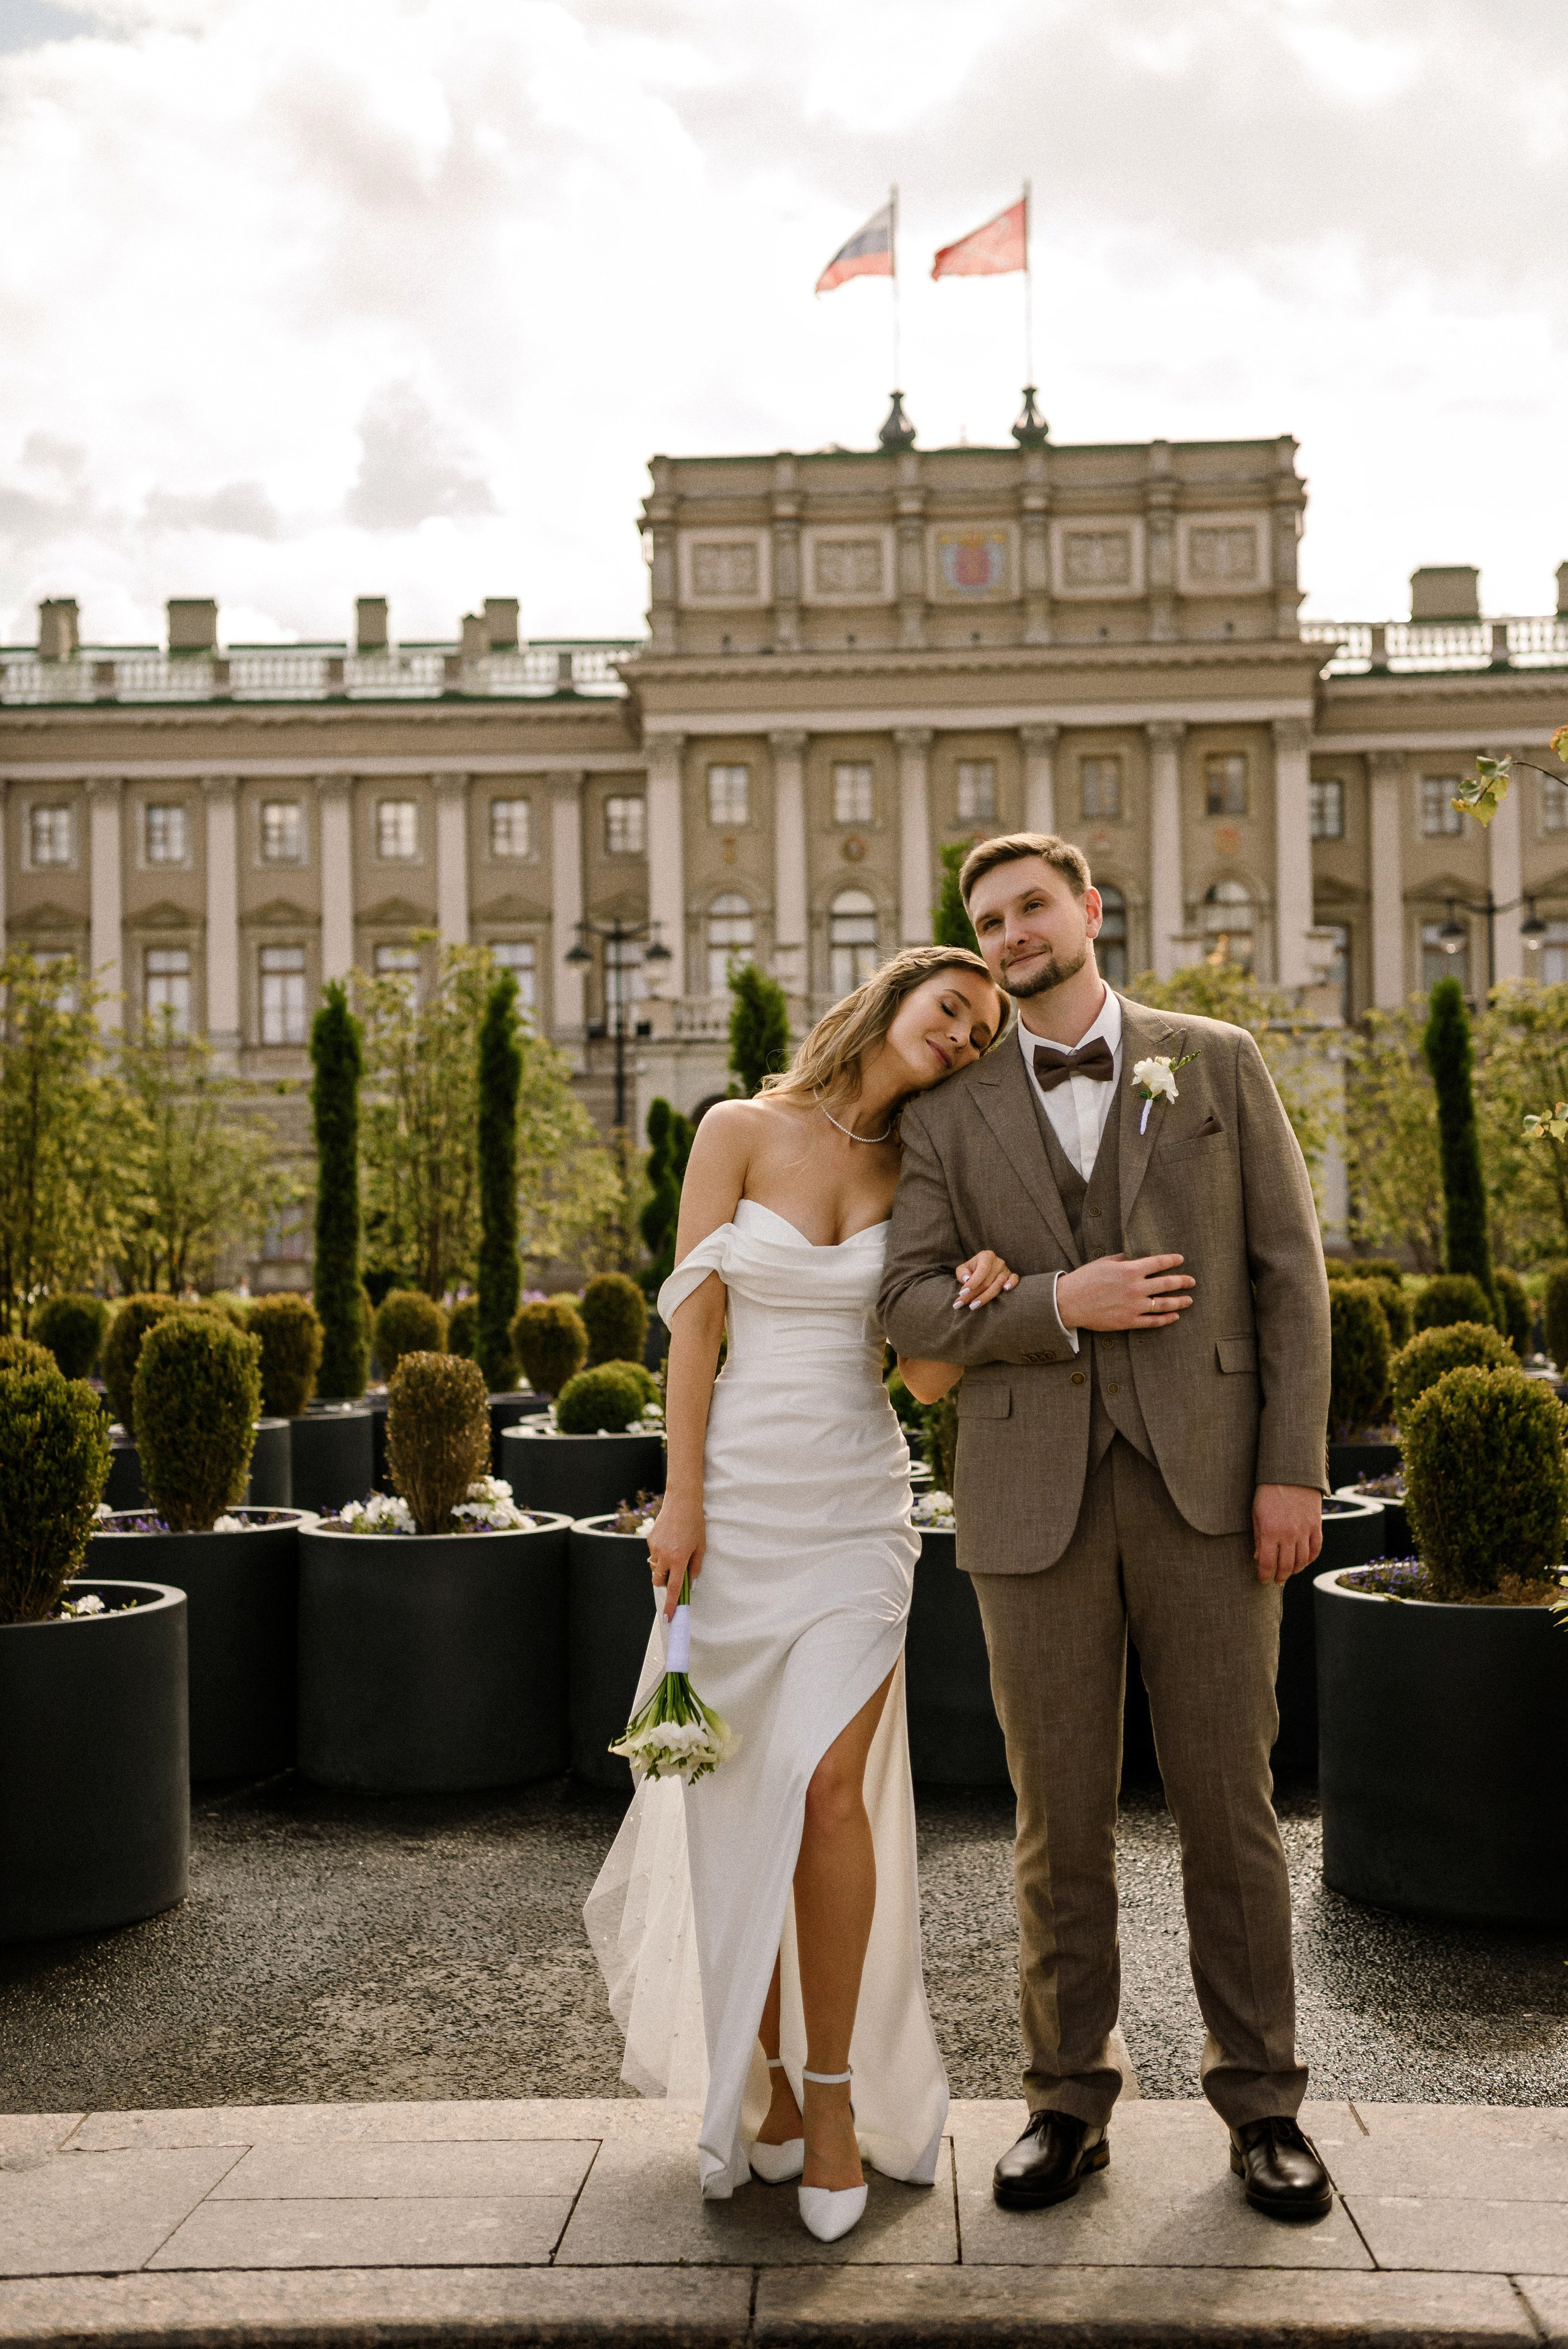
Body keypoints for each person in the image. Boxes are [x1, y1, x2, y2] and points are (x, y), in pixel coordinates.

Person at [878, 833, 1334, 2223]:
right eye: (985, 919)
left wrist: (1291, 1472)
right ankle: (1064, 2099)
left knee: (1228, 1807)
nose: (1009, 933)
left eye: (1029, 907)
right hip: (1030, 1499)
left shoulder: (1215, 1058)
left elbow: (1287, 1279)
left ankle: (1261, 2104)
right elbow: (904, 1314)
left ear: (1086, 910)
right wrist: (1052, 1306)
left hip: (1210, 1485)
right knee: (1053, 1817)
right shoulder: (945, 1115)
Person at [585, 945, 1012, 2244]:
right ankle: (756, 2085)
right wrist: (681, 1497)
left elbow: (920, 1385)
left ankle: (831, 2102)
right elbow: (694, 1326)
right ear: (890, 999)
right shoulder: (737, 1129)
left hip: (854, 1516)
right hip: (735, 1510)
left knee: (829, 1790)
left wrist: (974, 1303)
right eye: (952, 1006)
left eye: (983, 1031)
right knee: (738, 1803)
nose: (961, 1035)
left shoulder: (925, 1173)